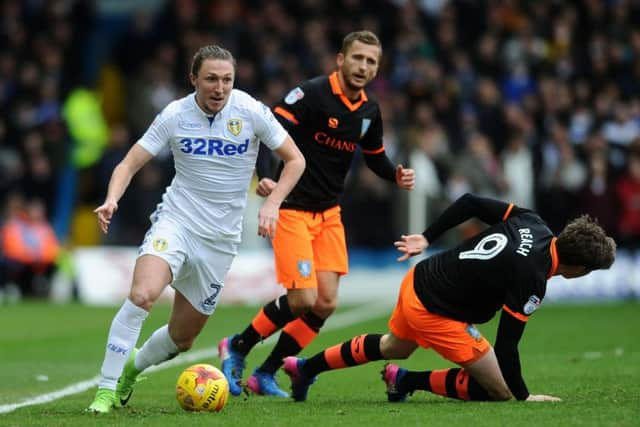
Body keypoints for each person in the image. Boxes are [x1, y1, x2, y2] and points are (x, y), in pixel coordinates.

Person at [86, 45, 305, 413]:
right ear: (194, 80)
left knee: (183, 337)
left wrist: (272, 202)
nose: (220, 88)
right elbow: (129, 163)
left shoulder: (250, 110)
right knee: (142, 296)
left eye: (227, 80)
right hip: (177, 222)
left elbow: (295, 160)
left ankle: (131, 369)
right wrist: (111, 199)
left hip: (220, 241)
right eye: (211, 79)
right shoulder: (175, 114)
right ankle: (106, 390)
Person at [218, 30, 415, 398]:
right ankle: (237, 346)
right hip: (292, 208)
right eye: (358, 58)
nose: (364, 66)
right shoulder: (310, 94)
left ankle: (266, 373)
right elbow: (266, 132)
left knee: (325, 303)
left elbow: (374, 156)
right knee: (303, 300)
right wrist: (263, 178)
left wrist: (395, 174)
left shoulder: (369, 112)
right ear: (340, 60)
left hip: (329, 214)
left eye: (371, 61)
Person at [281, 192, 616, 403]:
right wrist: (524, 396)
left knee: (393, 346)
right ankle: (406, 381)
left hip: (421, 277)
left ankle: (306, 367)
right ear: (579, 270)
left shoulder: (534, 222)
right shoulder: (532, 279)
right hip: (434, 309)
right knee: (497, 390)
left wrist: (427, 237)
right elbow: (507, 348)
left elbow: (469, 202)